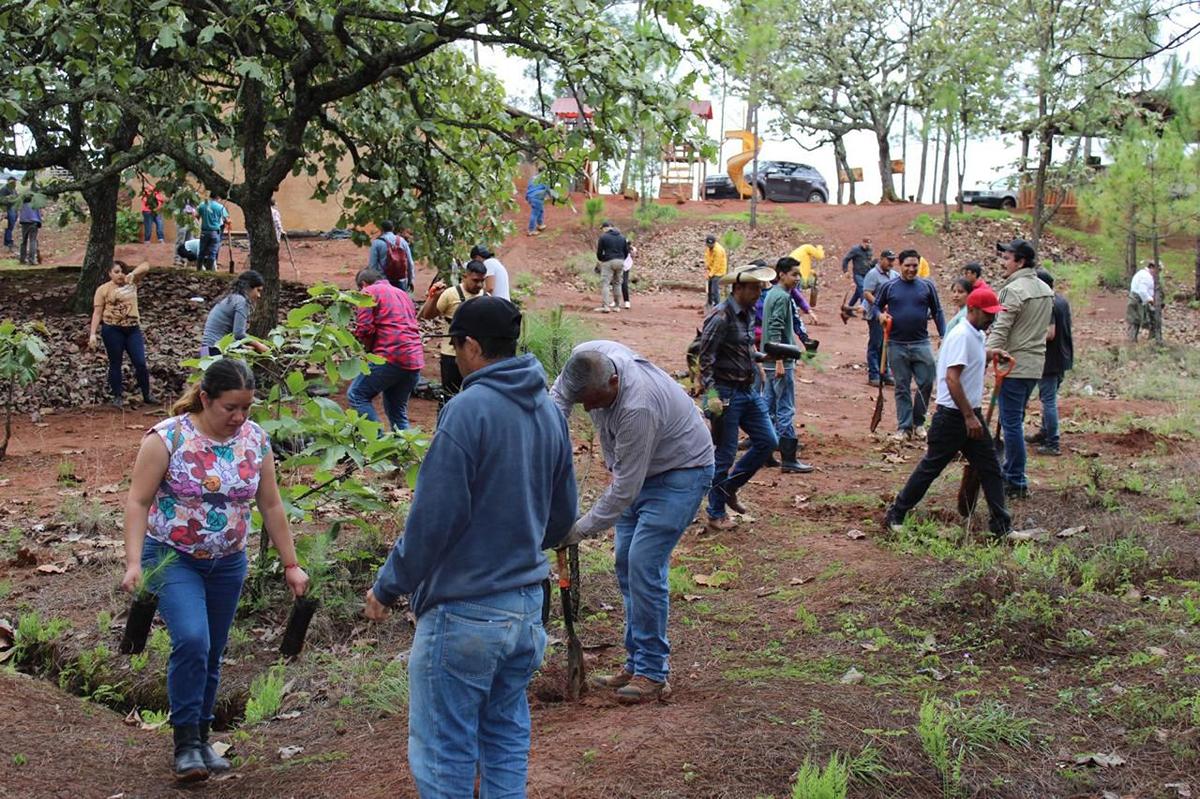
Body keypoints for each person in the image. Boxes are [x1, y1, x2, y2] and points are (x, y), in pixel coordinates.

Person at [364, 296, 577, 798]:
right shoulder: (549, 410)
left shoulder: (466, 410)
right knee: (504, 736)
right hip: (526, 609)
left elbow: (433, 519)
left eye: (455, 344)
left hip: (466, 613)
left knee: (445, 752)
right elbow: (562, 518)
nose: (454, 355)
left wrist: (389, 584)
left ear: (474, 346)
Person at [120, 358, 309, 783]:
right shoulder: (167, 438)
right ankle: (185, 743)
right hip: (172, 556)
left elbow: (271, 504)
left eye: (246, 407)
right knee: (191, 639)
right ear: (205, 398)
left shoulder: (255, 440)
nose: (239, 417)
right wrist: (133, 562)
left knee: (213, 650)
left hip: (228, 562)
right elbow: (138, 501)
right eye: (230, 408)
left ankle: (203, 736)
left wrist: (291, 564)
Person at [550, 342, 713, 702]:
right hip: (639, 471)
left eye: (594, 400)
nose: (589, 409)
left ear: (613, 381)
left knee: (643, 563)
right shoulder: (585, 359)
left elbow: (624, 490)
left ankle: (653, 672)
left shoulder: (637, 406)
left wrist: (577, 530)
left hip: (680, 472)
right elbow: (557, 402)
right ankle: (636, 660)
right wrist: (550, 450)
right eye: (583, 402)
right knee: (625, 563)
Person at [883, 287, 1012, 539]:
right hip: (954, 416)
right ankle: (895, 515)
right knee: (930, 468)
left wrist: (990, 354)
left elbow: (970, 359)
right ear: (972, 310)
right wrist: (968, 416)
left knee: (990, 468)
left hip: (967, 413)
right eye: (988, 313)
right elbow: (952, 379)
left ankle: (1002, 528)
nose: (992, 318)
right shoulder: (961, 335)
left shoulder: (976, 333)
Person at [698, 263, 779, 532]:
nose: (759, 292)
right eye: (754, 287)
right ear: (738, 288)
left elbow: (742, 349)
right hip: (724, 393)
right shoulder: (720, 316)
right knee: (725, 454)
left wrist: (759, 359)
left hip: (747, 390)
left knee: (768, 441)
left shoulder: (748, 313)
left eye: (760, 287)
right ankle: (715, 512)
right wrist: (711, 396)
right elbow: (705, 359)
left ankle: (730, 487)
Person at [988, 239, 1054, 499]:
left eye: (1007, 258)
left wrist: (986, 354)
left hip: (1013, 365)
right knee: (1012, 420)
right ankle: (1012, 473)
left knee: (1011, 423)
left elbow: (1001, 327)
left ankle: (1015, 479)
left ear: (1021, 262)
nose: (1002, 262)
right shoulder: (1045, 289)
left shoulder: (1012, 290)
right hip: (1034, 365)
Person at [874, 249, 945, 439]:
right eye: (907, 266)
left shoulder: (926, 287)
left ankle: (919, 422)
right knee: (902, 386)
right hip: (896, 344)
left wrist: (943, 335)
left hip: (921, 343)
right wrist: (880, 315)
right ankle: (904, 427)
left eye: (915, 265)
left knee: (926, 381)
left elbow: (937, 311)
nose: (911, 269)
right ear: (900, 265)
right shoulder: (889, 287)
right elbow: (875, 307)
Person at [347, 269, 424, 431]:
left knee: (357, 395)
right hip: (414, 359)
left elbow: (365, 329)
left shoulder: (368, 292)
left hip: (390, 355)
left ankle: (378, 442)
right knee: (397, 411)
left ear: (363, 285)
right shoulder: (402, 294)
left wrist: (368, 351)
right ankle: (405, 450)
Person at [761, 259, 814, 474]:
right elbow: (775, 328)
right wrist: (781, 359)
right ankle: (789, 458)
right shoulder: (782, 296)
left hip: (770, 362)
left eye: (799, 274)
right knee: (785, 408)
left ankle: (765, 452)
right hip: (780, 362)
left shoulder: (772, 293)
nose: (797, 278)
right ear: (781, 274)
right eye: (794, 274)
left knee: (768, 407)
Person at [419, 259, 487, 403]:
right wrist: (434, 297)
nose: (479, 285)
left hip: (476, 355)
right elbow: (427, 315)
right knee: (450, 396)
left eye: (482, 281)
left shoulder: (486, 298)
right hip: (451, 354)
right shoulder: (450, 294)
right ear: (465, 276)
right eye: (475, 281)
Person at [89, 261, 154, 407]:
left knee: (140, 363)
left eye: (122, 271)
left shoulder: (132, 282)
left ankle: (147, 394)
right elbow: (97, 312)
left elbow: (146, 266)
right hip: (112, 329)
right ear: (110, 274)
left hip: (132, 328)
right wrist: (92, 334)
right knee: (115, 362)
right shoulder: (103, 289)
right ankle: (117, 396)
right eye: (116, 272)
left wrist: (133, 274)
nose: (120, 275)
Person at [1027, 269, 1073, 456]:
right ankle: (1045, 432)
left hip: (1049, 359)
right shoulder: (1061, 300)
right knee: (1049, 397)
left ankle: (1052, 442)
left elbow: (1050, 333)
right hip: (1062, 356)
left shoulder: (1047, 303)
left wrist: (1029, 337)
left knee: (1048, 400)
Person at [200, 270, 269, 357]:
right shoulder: (241, 302)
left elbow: (228, 334)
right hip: (216, 350)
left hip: (205, 350)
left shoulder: (231, 298)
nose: (259, 295)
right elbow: (238, 334)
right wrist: (259, 345)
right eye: (258, 290)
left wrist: (242, 347)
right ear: (248, 288)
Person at [861, 251, 899, 387]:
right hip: (876, 315)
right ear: (881, 259)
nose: (891, 263)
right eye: (888, 260)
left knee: (887, 344)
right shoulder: (872, 274)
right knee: (876, 344)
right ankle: (874, 374)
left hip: (890, 315)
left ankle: (885, 373)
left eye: (892, 260)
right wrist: (879, 305)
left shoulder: (894, 275)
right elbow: (867, 293)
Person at [596, 221, 630, 313]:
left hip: (608, 261)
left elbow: (599, 252)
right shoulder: (622, 237)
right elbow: (626, 252)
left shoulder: (603, 237)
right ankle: (617, 306)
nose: (602, 230)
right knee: (617, 283)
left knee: (605, 283)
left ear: (606, 228)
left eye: (603, 228)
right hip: (620, 261)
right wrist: (621, 259)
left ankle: (606, 306)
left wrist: (602, 259)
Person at [368, 221, 412, 292]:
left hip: (383, 281)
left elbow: (372, 265)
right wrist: (410, 280)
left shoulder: (377, 243)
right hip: (400, 279)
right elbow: (410, 263)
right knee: (401, 301)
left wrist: (373, 283)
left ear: (381, 229)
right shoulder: (402, 241)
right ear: (393, 228)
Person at [1127, 260, 1159, 343]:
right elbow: (1142, 291)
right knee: (1137, 320)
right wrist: (1151, 300)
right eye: (1158, 270)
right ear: (1152, 267)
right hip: (1138, 300)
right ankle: (1151, 340)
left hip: (1134, 298)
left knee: (1134, 320)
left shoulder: (1141, 273)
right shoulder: (1146, 276)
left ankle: (1132, 341)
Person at [196, 193, 229, 272]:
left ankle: (199, 268)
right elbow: (227, 220)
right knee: (213, 252)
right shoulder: (220, 207)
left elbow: (197, 215)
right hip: (215, 232)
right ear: (218, 197)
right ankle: (209, 270)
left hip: (204, 231)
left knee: (202, 251)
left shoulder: (202, 205)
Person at [841, 236, 873, 307]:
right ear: (862, 243)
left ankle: (848, 308)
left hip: (867, 274)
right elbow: (846, 259)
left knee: (858, 292)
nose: (867, 246)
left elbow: (870, 262)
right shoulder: (855, 250)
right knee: (862, 289)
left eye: (869, 244)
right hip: (858, 274)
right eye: (865, 244)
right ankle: (864, 309)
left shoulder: (870, 250)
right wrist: (845, 271)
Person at [704, 234, 727, 309]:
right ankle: (710, 304)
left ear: (714, 243)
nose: (709, 246)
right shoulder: (708, 248)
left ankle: (718, 306)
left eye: (711, 244)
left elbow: (717, 265)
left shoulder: (718, 251)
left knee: (714, 290)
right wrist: (707, 268)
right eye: (708, 244)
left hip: (719, 272)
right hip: (711, 270)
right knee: (709, 290)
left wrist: (710, 274)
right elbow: (707, 257)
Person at [173, 201, 199, 266]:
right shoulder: (181, 194)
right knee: (180, 240)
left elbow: (196, 205)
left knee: (189, 241)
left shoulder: (193, 194)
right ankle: (177, 259)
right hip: (182, 218)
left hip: (191, 218)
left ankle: (186, 259)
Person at [18, 195, 41, 265]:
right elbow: (38, 215)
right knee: (33, 241)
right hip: (33, 223)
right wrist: (39, 223)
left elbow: (21, 215)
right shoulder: (35, 205)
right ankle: (32, 259)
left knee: (24, 241)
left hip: (24, 223)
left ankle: (22, 259)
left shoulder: (23, 206)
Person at [1, 176, 17, 254]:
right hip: (8, 210)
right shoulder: (4, 189)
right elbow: (1, 200)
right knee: (9, 226)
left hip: (14, 209)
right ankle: (8, 242)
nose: (14, 183)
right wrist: (4, 211)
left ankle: (8, 241)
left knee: (11, 226)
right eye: (13, 181)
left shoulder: (13, 189)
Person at [621, 242, 635, 309]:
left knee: (622, 283)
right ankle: (626, 302)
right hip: (625, 264)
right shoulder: (624, 241)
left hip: (624, 265)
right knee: (623, 282)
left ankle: (625, 301)